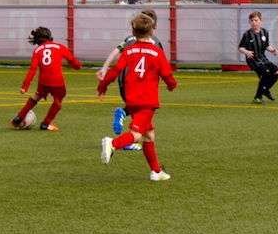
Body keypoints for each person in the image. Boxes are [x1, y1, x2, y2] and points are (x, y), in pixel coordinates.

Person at [99, 14, 177, 181]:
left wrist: (103, 85)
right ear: (152, 32)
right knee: (137, 134)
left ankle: (156, 171)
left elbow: (116, 70)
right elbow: (166, 74)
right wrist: (171, 85)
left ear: (133, 32)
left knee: (149, 134)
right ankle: (112, 144)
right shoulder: (157, 52)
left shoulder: (129, 50)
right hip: (147, 101)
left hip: (131, 99)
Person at [96, 9, 161, 144]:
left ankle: (128, 122)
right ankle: (126, 141)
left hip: (124, 79)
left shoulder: (129, 39)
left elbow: (116, 51)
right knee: (142, 112)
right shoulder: (155, 42)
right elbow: (159, 64)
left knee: (139, 114)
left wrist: (104, 68)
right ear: (154, 27)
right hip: (142, 83)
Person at [11, 27, 82, 131]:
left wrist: (25, 86)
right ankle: (46, 123)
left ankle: (19, 117)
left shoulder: (37, 51)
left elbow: (33, 69)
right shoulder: (60, 47)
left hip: (43, 81)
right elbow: (72, 60)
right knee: (58, 102)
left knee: (37, 96)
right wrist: (78, 66)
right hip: (58, 81)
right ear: (50, 37)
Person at [238, 11, 278, 104]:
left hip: (262, 57)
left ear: (261, 21)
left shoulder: (264, 32)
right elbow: (240, 47)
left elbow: (266, 46)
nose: (253, 22)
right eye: (251, 20)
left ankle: (265, 89)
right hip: (253, 59)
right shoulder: (247, 34)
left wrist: (273, 50)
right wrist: (247, 52)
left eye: (256, 20)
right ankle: (257, 97)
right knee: (266, 73)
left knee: (277, 72)